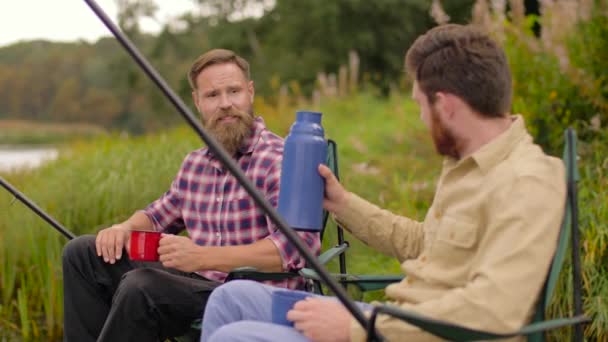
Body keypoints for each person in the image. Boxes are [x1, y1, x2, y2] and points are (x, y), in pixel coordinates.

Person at [199, 24, 567, 342]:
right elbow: (423, 243)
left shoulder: (527, 180)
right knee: (232, 299)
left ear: (447, 106)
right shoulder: (464, 167)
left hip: (412, 333)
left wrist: (359, 326)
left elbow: (494, 310)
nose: (422, 119)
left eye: (421, 106)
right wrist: (342, 203)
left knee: (236, 337)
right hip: (397, 320)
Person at [61, 49, 320, 342]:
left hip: (252, 292)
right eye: (212, 95)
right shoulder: (195, 163)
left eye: (233, 91)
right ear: (197, 102)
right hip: (197, 283)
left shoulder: (279, 160)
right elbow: (158, 216)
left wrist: (201, 256)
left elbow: (297, 249)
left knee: (141, 287)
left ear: (250, 92)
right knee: (82, 252)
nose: (225, 104)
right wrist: (123, 229)